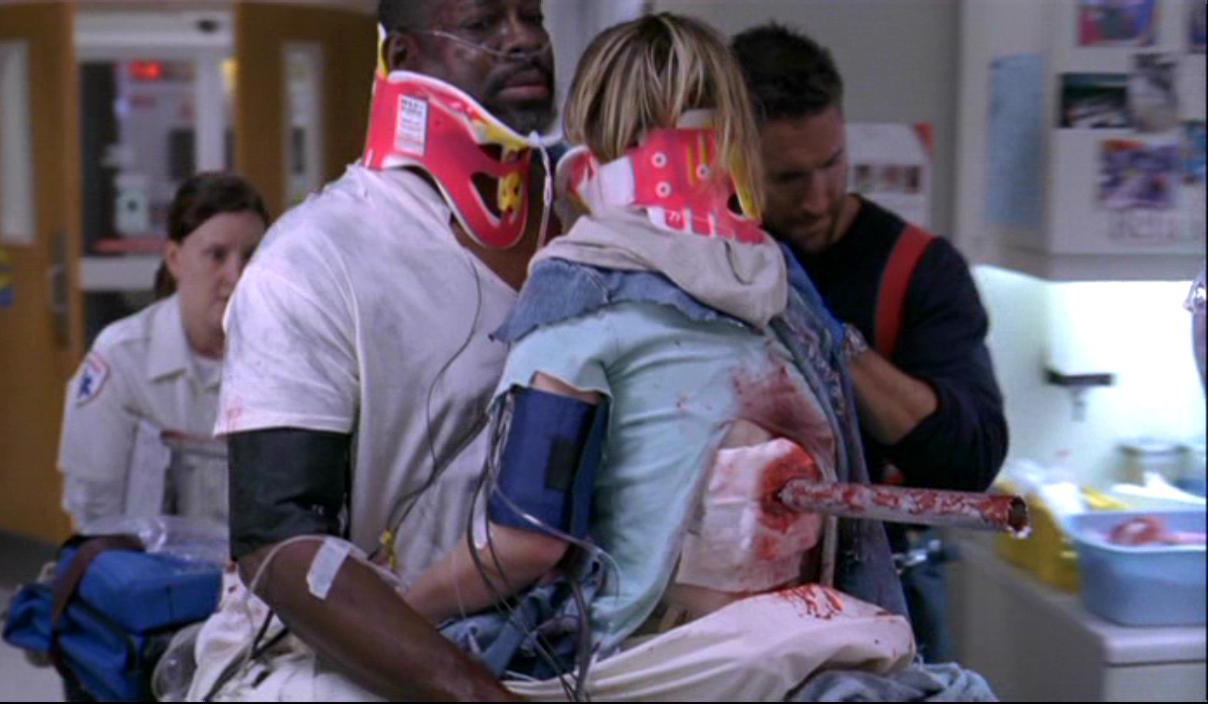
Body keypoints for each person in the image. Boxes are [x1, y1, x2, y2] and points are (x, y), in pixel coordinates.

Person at [401, 13, 914, 700]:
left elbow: (527, 541)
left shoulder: (579, 297)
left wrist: (394, 611)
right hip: (816, 657)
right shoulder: (783, 290)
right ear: (736, 140)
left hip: (651, 666)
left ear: (590, 149)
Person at [185, 0, 560, 700]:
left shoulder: (585, 225)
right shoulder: (312, 258)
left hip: (546, 630)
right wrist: (475, 693)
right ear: (404, 58)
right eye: (482, 24)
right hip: (330, 653)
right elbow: (278, 540)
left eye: (532, 16)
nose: (524, 40)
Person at [733, 23, 1009, 662]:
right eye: (788, 178)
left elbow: (971, 459)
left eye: (831, 164)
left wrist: (832, 339)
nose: (817, 199)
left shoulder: (922, 269)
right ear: (734, 161)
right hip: (734, 598)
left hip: (888, 594)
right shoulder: (698, 263)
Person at [57, 171, 268, 531]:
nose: (236, 276)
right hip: (148, 561)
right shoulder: (122, 358)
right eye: (216, 255)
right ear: (174, 258)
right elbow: (94, 512)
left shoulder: (284, 356)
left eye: (250, 256)